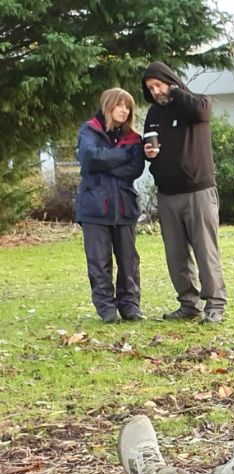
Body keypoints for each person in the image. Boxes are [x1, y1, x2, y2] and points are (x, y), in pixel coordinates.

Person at [141, 62, 227, 325]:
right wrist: (149, 154)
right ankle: (188, 304)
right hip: (167, 194)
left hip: (198, 190)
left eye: (158, 85)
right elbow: (148, 142)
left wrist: (176, 92)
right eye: (150, 88)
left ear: (170, 81)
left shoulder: (193, 104)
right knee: (176, 253)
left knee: (205, 250)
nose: (155, 91)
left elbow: (203, 111)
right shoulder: (154, 113)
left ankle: (215, 305)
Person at [75, 88, 145, 323]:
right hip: (94, 207)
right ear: (108, 105)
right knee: (99, 261)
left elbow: (135, 168)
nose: (124, 110)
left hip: (124, 207)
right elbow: (89, 158)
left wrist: (106, 160)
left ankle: (131, 306)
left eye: (128, 107)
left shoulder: (134, 138)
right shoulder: (89, 130)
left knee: (129, 261)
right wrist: (121, 155)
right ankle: (106, 309)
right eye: (120, 105)